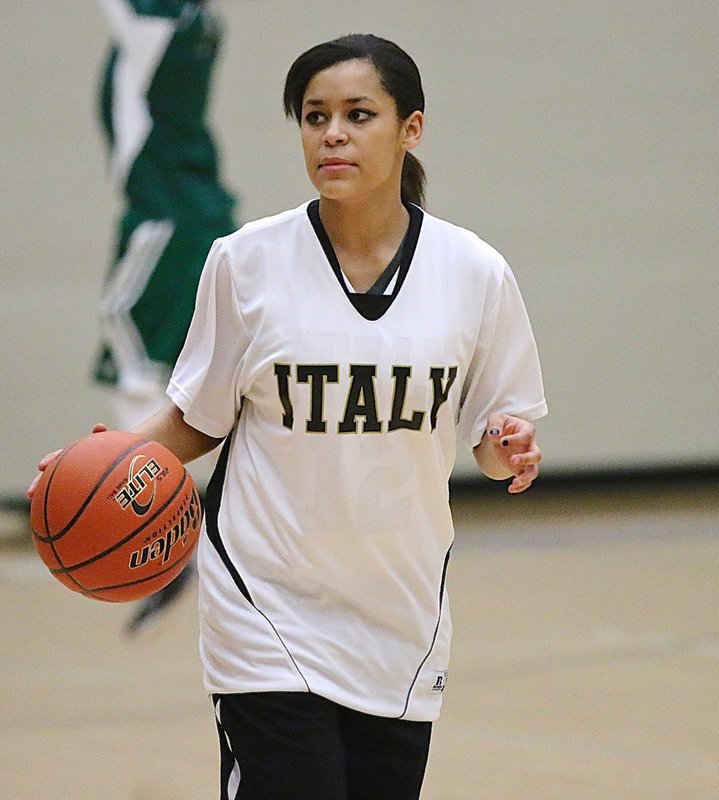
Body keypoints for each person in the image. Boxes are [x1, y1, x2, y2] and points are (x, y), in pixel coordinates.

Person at [31, 33, 546, 800]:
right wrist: (98, 459)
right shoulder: (245, 261)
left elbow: (493, 442)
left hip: (399, 611)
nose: (331, 133)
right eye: (314, 116)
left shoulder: (473, 272)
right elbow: (198, 417)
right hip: (265, 605)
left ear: (411, 128)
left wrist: (509, 451)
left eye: (357, 114)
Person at [92, 0, 238, 634]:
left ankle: (156, 527)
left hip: (165, 220)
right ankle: (216, 529)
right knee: (196, 378)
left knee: (132, 356)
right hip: (199, 217)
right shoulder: (197, 21)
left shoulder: (154, 21)